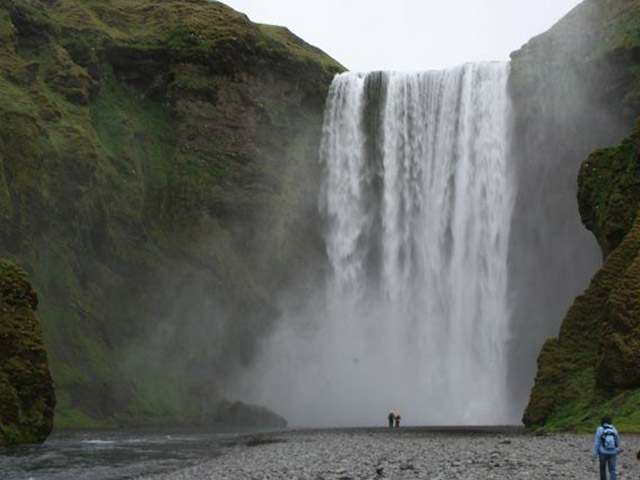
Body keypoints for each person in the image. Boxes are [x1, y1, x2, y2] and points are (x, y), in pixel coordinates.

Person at [591, 416, 619, 480]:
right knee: (612, 469)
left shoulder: (600, 429)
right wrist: (616, 450)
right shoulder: (614, 429)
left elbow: (597, 443)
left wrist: (594, 454)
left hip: (602, 452)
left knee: (602, 468)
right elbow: (617, 441)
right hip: (613, 452)